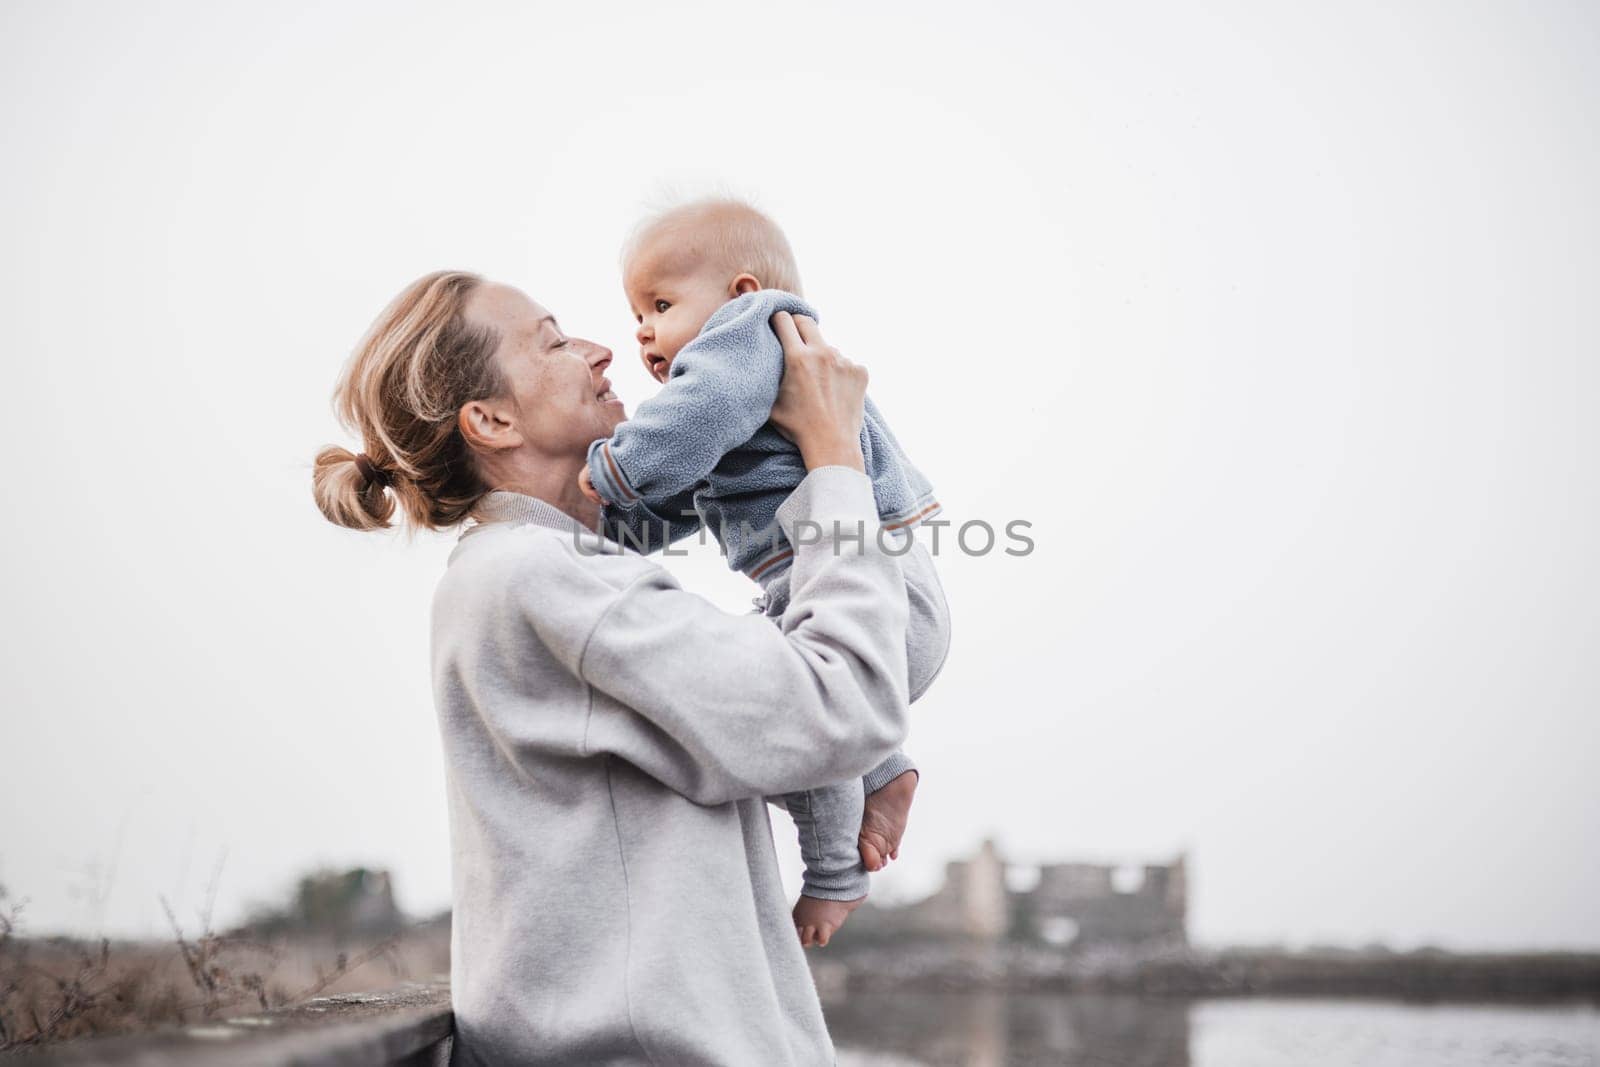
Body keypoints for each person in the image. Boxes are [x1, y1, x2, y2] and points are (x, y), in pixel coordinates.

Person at [311, 271, 918, 1064]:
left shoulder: (523, 574)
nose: (601, 352)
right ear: (489, 420)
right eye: (554, 341)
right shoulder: (541, 579)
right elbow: (843, 706)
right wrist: (834, 459)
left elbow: (771, 721)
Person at [579, 198, 951, 945]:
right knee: (739, 698)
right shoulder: (748, 396)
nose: (643, 330)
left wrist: (616, 467)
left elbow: (693, 419)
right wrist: (604, 527)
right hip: (871, 590)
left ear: (739, 293)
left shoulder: (748, 337)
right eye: (637, 313)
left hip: (870, 592)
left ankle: (835, 873)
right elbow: (684, 500)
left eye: (659, 303)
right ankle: (877, 770)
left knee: (761, 716)